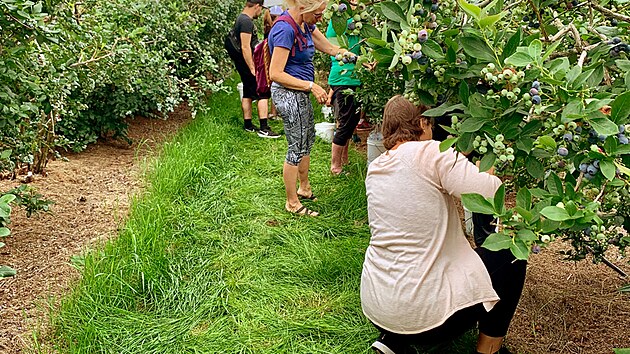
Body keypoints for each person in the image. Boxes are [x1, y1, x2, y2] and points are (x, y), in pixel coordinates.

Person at [361, 96, 527, 354]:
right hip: (429, 322)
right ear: (423, 123)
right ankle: (489, 351)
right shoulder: (432, 152)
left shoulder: (377, 167)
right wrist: (490, 159)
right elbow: (490, 193)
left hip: (377, 307)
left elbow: (424, 176)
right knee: (512, 253)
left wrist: (458, 156)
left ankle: (393, 340)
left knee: (409, 255)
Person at [268, 0, 355, 216]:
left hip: (300, 92)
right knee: (297, 145)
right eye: (318, 13)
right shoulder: (285, 29)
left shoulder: (306, 25)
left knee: (307, 138)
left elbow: (332, 49)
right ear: (304, 8)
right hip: (288, 93)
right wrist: (311, 85)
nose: (321, 18)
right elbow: (275, 73)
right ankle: (292, 203)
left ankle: (304, 188)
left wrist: (358, 59)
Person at [224, 0, 280, 138]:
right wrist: (252, 67)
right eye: (261, 9)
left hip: (242, 63)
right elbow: (245, 46)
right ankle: (264, 128)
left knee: (248, 93)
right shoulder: (246, 22)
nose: (261, 13)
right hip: (247, 63)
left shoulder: (241, 19)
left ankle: (248, 124)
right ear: (257, 6)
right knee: (263, 93)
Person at [325, 0, 362, 175]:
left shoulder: (355, 24)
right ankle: (335, 166)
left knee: (351, 122)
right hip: (343, 78)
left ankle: (344, 160)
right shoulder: (339, 21)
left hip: (354, 79)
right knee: (346, 123)